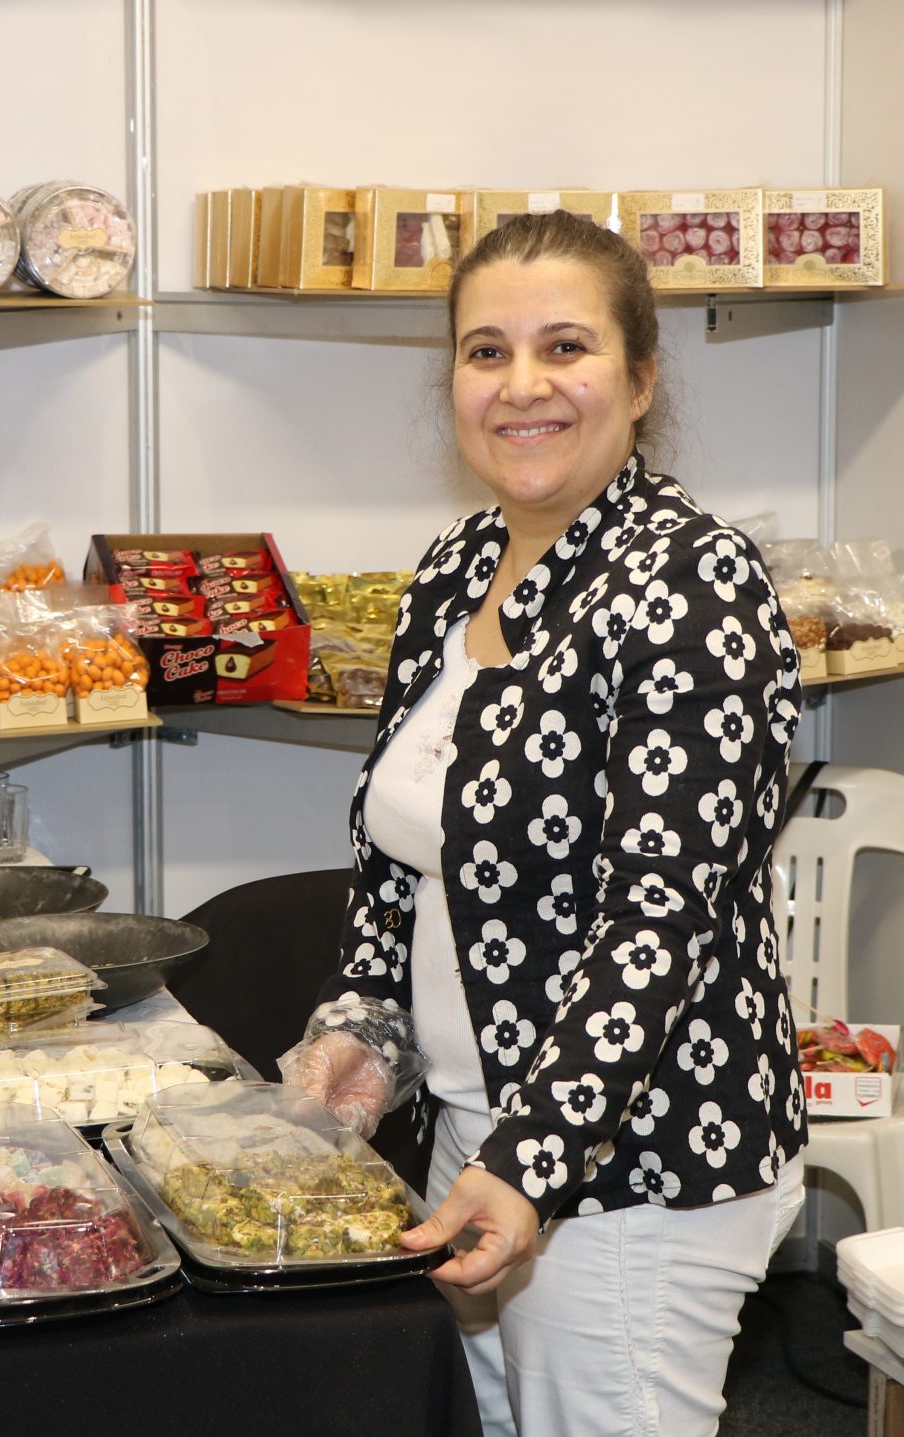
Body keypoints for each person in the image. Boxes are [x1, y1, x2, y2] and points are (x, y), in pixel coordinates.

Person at [283, 209, 810, 1437]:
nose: (522, 386)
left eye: (565, 347)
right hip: (476, 1130)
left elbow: (659, 920)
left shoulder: (691, 583)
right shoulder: (455, 568)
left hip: (631, 1167)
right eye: (486, 352)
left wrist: (534, 1163)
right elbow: (400, 863)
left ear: (640, 380)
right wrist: (364, 1027)